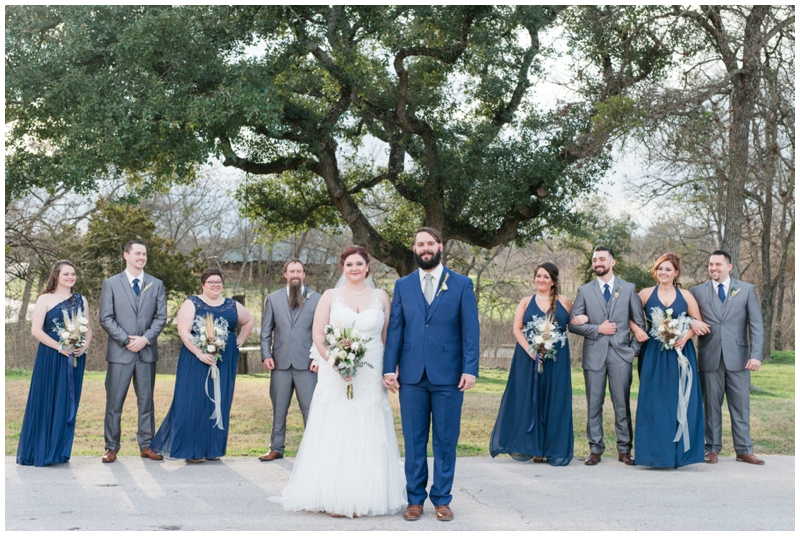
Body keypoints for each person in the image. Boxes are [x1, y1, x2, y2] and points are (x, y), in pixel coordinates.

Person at [274, 246, 406, 518]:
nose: (354, 268)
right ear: (342, 268)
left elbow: (388, 337)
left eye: (359, 263)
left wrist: (392, 369)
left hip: (371, 373)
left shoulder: (381, 296)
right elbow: (319, 335)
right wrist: (336, 363)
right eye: (349, 264)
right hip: (336, 373)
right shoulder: (330, 297)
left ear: (367, 267)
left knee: (368, 425)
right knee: (337, 425)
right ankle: (333, 495)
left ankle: (367, 494)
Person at [383, 228, 480, 522]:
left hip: (449, 375)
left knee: (446, 440)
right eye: (420, 244)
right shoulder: (402, 285)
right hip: (411, 375)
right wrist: (389, 367)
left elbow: (470, 331)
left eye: (430, 243)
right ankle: (414, 499)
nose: (425, 248)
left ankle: (442, 499)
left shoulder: (461, 284)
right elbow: (396, 329)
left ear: (440, 246)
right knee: (413, 441)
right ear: (414, 249)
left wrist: (470, 368)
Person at [150, 268, 254, 462]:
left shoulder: (232, 304)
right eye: (211, 282)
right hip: (195, 359)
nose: (216, 285)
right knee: (194, 401)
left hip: (225, 360)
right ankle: (193, 450)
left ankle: (213, 449)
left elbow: (249, 320)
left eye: (219, 282)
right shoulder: (192, 303)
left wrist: (239, 341)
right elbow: (184, 331)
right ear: (203, 285)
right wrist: (199, 353)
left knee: (220, 401)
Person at [490, 262, 574, 466]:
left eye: (546, 276)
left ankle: (553, 448)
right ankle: (533, 448)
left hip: (557, 358)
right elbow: (517, 328)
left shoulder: (565, 301)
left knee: (555, 399)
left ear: (553, 281)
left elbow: (572, 325)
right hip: (528, 358)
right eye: (538, 275)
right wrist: (530, 350)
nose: (541, 280)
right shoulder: (526, 301)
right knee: (529, 399)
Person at [569, 246, 645, 466]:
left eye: (602, 259)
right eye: (594, 260)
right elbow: (573, 325)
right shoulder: (584, 291)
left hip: (621, 356)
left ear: (612, 262)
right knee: (594, 404)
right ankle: (595, 449)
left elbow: (639, 324)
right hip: (594, 356)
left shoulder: (628, 289)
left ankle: (624, 449)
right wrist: (596, 329)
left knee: (622, 404)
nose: (597, 263)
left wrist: (632, 351)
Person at [690, 250, 765, 465]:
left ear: (729, 267)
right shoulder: (697, 291)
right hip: (709, 356)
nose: (713, 268)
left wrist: (756, 355)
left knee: (741, 405)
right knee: (710, 406)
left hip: (740, 357)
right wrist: (691, 322)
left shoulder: (746, 289)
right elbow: (686, 316)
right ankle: (711, 449)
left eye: (718, 265)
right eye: (711, 264)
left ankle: (744, 449)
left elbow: (756, 325)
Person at [631, 253, 705, 468]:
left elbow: (698, 322)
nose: (663, 273)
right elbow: (628, 315)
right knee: (653, 401)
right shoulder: (645, 294)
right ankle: (653, 455)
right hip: (653, 353)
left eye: (668, 269)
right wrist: (637, 329)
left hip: (680, 353)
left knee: (679, 401)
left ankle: (680, 456)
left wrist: (685, 337)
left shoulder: (686, 295)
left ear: (676, 273)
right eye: (660, 269)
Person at [17, 261, 92, 466]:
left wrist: (83, 347)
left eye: (73, 274)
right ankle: (40, 450)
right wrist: (60, 347)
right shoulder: (45, 299)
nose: (70, 277)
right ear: (57, 276)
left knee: (67, 402)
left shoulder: (80, 300)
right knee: (47, 399)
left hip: (75, 357)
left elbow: (89, 329)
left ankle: (59, 451)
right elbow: (36, 330)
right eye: (66, 274)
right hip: (51, 356)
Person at [99, 240, 168, 463]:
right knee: (114, 403)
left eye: (144, 254)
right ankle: (111, 447)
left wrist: (145, 339)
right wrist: (126, 340)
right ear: (126, 255)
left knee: (146, 402)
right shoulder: (111, 283)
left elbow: (160, 317)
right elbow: (106, 318)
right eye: (137, 253)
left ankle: (147, 445)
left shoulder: (156, 284)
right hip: (120, 353)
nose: (141, 257)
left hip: (146, 353)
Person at [258, 259, 321, 462]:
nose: (295, 274)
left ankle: (314, 450)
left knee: (310, 409)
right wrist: (266, 355)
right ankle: (276, 448)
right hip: (280, 363)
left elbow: (323, 332)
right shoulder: (273, 299)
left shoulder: (318, 299)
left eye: (299, 271)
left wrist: (318, 358)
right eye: (291, 271)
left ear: (304, 274)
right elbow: (266, 331)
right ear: (285, 274)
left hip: (307, 364)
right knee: (279, 407)